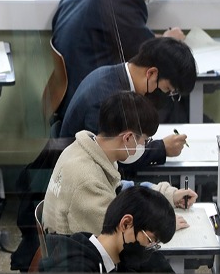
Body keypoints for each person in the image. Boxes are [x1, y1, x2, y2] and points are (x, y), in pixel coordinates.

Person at [43, 91, 197, 238]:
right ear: (128, 137)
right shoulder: (86, 180)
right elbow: (121, 234)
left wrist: (167, 195)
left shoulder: (88, 150)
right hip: (79, 259)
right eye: (144, 140)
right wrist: (163, 225)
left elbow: (122, 191)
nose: (143, 146)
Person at [51, 0, 185, 121]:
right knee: (169, 98)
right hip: (95, 105)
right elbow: (147, 56)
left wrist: (162, 38)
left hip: (70, 96)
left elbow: (132, 35)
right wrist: (170, 41)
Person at [59, 37, 197, 175]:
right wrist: (162, 149)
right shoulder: (108, 99)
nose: (164, 95)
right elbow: (112, 158)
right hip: (79, 176)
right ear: (151, 73)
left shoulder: (113, 74)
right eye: (166, 89)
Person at [39, 186, 176, 273]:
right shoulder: (76, 270)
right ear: (126, 224)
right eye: (150, 240)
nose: (150, 248)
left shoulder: (115, 263)